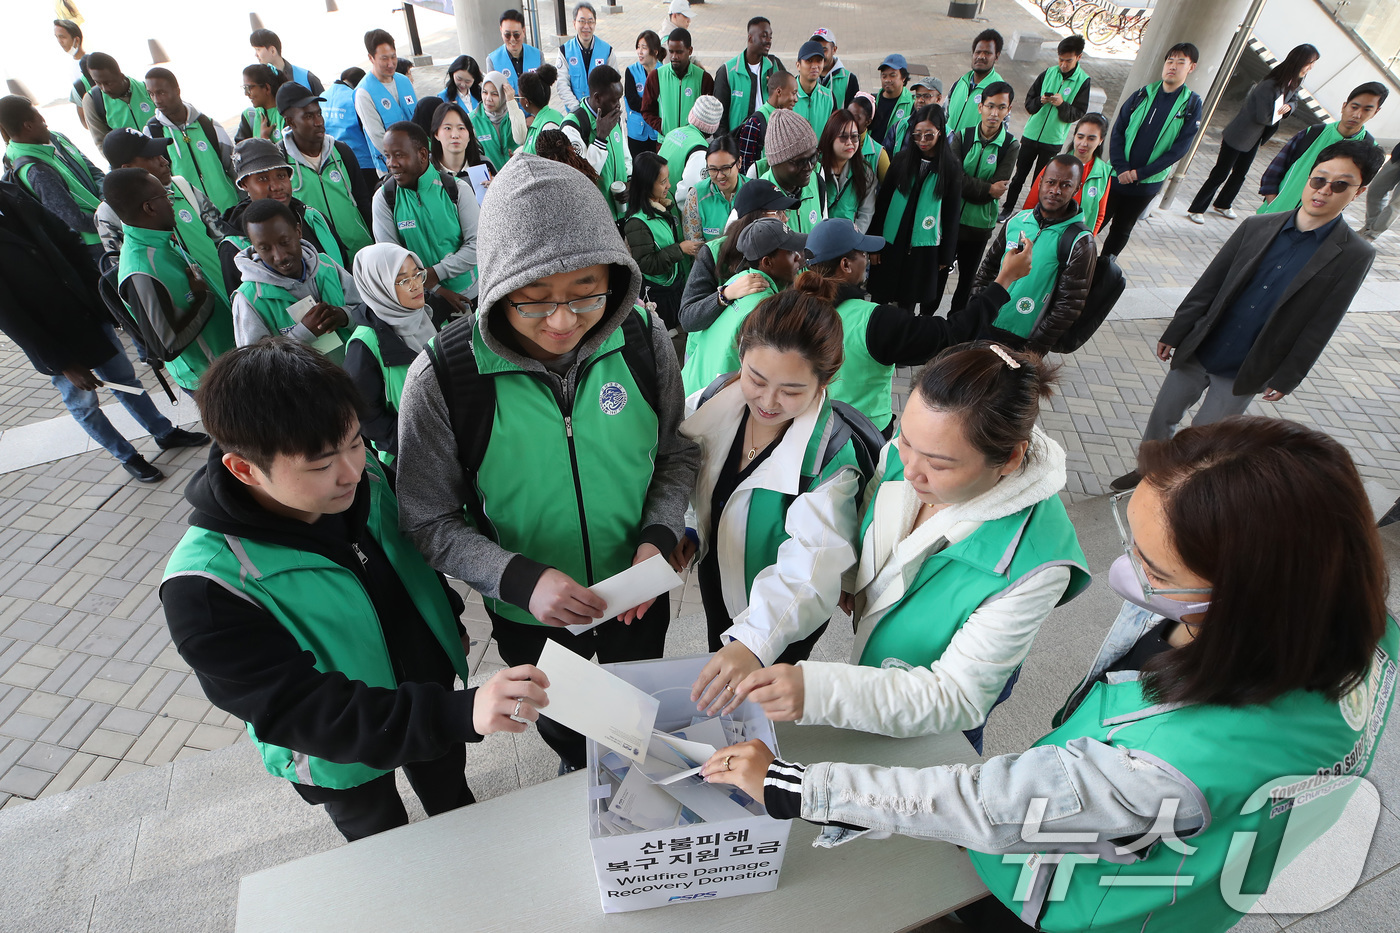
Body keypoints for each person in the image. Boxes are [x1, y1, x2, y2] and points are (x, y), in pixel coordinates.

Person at [713, 415, 1395, 933]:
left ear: (1249, 599)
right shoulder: (1349, 627)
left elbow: (992, 803)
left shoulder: (1180, 760)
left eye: (1156, 570)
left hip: (1077, 901)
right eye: (1132, 541)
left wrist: (791, 782)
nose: (1127, 575)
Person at [161, 337, 551, 841]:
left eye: (354, 441)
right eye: (320, 465)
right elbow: (299, 710)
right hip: (338, 746)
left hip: (425, 691)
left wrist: (448, 621)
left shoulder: (368, 475)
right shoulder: (206, 585)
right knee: (379, 838)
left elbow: (407, 561)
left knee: (453, 801)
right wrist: (458, 711)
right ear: (244, 468)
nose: (350, 473)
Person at [396, 155, 698, 772]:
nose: (563, 321)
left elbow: (674, 454)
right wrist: (517, 579)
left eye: (587, 293)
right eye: (532, 301)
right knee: (563, 724)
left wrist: (659, 535)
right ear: (496, 286)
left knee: (638, 706)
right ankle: (575, 763)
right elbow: (426, 519)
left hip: (633, 594)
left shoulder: (641, 339)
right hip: (525, 610)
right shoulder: (445, 377)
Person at [719, 339, 1086, 759]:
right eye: (906, 440)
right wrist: (852, 575)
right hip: (884, 658)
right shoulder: (917, 449)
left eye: (940, 464)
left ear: (1010, 458)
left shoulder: (1037, 562)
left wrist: (817, 690)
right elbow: (875, 510)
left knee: (932, 765)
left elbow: (957, 698)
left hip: (937, 701)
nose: (909, 467)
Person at [1111, 139, 1382, 490]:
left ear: (1358, 193)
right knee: (1162, 417)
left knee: (1207, 439)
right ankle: (1147, 470)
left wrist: (1288, 376)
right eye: (1319, 179)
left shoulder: (1354, 254)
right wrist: (1176, 330)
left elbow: (1323, 322)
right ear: (1308, 178)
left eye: (1340, 185)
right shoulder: (1257, 226)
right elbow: (1210, 284)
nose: (1324, 191)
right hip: (1202, 345)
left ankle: (1176, 490)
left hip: (1247, 366)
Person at [678, 281, 877, 709]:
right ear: (741, 354)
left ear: (827, 379)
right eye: (756, 378)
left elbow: (811, 566)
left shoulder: (830, 456)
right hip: (721, 576)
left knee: (758, 698)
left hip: (784, 615)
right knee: (723, 655)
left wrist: (752, 641)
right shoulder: (715, 399)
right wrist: (690, 529)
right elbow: (698, 479)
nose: (767, 401)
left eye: (791, 391)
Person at [0, 176, 208, 484]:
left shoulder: (9, 193)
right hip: (51, 337)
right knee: (84, 403)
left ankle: (163, 431)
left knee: (124, 379)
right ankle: (127, 456)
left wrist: (99, 297)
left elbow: (66, 237)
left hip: (84, 314)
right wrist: (62, 364)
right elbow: (9, 317)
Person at [798, 218, 1016, 434]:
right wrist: (1003, 281)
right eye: (863, 254)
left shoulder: (790, 307)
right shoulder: (875, 321)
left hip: (806, 428)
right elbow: (952, 334)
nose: (867, 260)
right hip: (860, 436)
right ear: (845, 265)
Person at [107, 167, 236, 393]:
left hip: (230, 362)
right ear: (149, 207)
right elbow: (166, 346)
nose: (172, 202)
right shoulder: (141, 271)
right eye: (166, 197)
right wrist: (203, 300)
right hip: (214, 381)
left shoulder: (161, 239)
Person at [976, 154, 1097, 355]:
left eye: (1066, 185)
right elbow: (988, 268)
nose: (1055, 190)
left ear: (1077, 188)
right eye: (1050, 182)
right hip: (985, 325)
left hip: (1023, 341)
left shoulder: (1080, 241)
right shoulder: (1017, 220)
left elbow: (1068, 305)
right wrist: (977, 309)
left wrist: (1034, 348)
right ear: (1040, 182)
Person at [1187, 44, 1318, 223]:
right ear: (1299, 62)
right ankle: (1197, 209)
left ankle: (1223, 204)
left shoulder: (1293, 82)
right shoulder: (1270, 85)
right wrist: (1280, 112)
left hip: (1255, 137)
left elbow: (1294, 101)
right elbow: (1263, 116)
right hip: (1239, 135)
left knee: (1240, 173)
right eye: (1309, 63)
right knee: (1220, 173)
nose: (1310, 68)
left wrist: (1288, 108)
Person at [682, 217, 806, 395]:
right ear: (767, 262)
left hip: (692, 387)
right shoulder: (765, 308)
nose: (798, 257)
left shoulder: (739, 281)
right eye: (790, 252)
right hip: (710, 403)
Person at [1102, 43, 1203, 258]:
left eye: (1180, 62)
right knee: (1096, 221)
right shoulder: (1142, 94)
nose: (1173, 66)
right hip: (1116, 176)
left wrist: (1140, 174)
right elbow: (1118, 130)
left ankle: (1102, 270)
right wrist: (1121, 168)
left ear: (1191, 67)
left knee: (1121, 230)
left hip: (1146, 184)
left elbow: (1179, 148)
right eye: (1170, 61)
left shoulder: (1191, 105)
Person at [372, 121, 481, 316]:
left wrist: (436, 273)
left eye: (399, 155)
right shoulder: (384, 199)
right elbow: (390, 261)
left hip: (471, 295)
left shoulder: (456, 190)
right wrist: (436, 289)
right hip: (424, 305)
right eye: (387, 156)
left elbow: (477, 246)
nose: (391, 164)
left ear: (422, 154)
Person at [94, 129, 231, 283]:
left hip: (228, 291)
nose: (164, 161)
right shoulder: (109, 214)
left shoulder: (182, 186)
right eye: (152, 157)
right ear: (128, 169)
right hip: (189, 304)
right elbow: (131, 278)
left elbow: (224, 240)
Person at [346, 244, 440, 466]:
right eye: (403, 280)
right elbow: (368, 418)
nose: (416, 285)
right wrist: (417, 445)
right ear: (379, 286)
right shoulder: (364, 346)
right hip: (411, 457)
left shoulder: (426, 314)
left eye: (417, 274)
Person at [231, 198, 363, 355]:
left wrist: (344, 316)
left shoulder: (326, 265)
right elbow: (253, 365)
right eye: (265, 248)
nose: (279, 256)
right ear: (254, 247)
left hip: (357, 369)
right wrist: (303, 334)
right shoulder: (249, 298)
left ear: (298, 232)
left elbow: (367, 311)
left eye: (285, 242)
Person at [868, 104, 962, 313]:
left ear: (940, 132)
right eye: (917, 135)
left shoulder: (951, 167)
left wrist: (945, 257)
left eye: (929, 136)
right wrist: (874, 243)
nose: (922, 142)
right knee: (879, 296)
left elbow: (951, 215)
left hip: (923, 248)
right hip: (892, 242)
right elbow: (882, 203)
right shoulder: (902, 160)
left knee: (908, 302)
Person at [678, 179, 800, 336]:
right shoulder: (714, 252)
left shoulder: (785, 249)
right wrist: (725, 295)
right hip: (716, 351)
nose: (785, 219)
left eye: (785, 212)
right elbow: (688, 319)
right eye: (778, 213)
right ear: (754, 217)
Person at [277, 82, 375, 265]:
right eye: (308, 116)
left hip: (361, 252)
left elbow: (363, 200)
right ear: (290, 122)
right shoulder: (280, 162)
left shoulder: (342, 151)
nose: (319, 122)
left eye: (319, 113)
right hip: (320, 262)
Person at [0, 95, 104, 261]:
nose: (45, 122)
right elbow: (73, 219)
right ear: (28, 126)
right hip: (97, 244)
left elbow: (95, 172)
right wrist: (110, 221)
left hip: (108, 220)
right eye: (40, 118)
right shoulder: (36, 170)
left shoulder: (57, 138)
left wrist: (106, 200)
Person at [1258, 81, 1385, 215]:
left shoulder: (1370, 151)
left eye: (1367, 110)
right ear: (1344, 106)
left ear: (1375, 112)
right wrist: (1273, 205)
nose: (1357, 115)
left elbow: (1350, 194)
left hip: (1313, 225)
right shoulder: (1312, 133)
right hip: (1273, 214)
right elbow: (1273, 172)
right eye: (1354, 107)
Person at [1002, 34, 1090, 219]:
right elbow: (1028, 104)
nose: (1063, 64)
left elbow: (1077, 113)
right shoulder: (1048, 73)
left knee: (1042, 181)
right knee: (1019, 175)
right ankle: (1008, 209)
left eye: (1068, 60)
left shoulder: (1083, 81)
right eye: (1060, 60)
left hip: (1053, 140)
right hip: (1031, 135)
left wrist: (1061, 104)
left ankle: (1033, 214)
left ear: (1079, 57)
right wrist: (1041, 101)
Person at [948, 83, 1018, 314]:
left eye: (1001, 107)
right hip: (951, 221)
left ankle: (955, 323)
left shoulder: (1010, 145)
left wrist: (969, 185)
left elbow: (1000, 188)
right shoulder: (963, 136)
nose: (994, 113)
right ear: (980, 107)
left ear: (1009, 110)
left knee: (968, 281)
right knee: (939, 275)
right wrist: (986, 189)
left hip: (979, 226)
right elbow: (954, 178)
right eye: (990, 106)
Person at [226, 138, 346, 269]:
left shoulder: (314, 219)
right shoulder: (235, 247)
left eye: (281, 176)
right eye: (263, 178)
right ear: (244, 184)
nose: (277, 186)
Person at [143, 67, 241, 213]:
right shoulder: (152, 133)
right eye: (151, 94)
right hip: (192, 218)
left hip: (230, 209)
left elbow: (234, 168)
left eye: (161, 92)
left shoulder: (208, 125)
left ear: (177, 90)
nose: (156, 100)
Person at [624, 151, 702, 327]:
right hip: (658, 295)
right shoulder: (637, 223)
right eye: (663, 182)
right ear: (646, 184)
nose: (669, 185)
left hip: (672, 288)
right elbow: (646, 263)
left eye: (668, 179)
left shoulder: (662, 207)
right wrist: (680, 249)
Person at [1024, 112, 1112, 234]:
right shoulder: (1055, 164)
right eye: (1080, 137)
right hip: (1045, 234)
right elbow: (1031, 202)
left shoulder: (1104, 173)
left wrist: (1087, 239)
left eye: (1091, 138)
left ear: (1101, 140)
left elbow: (1099, 215)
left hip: (1076, 240)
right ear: (1074, 136)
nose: (1084, 143)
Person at [561, 65, 631, 216]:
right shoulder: (573, 127)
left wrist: (630, 183)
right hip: (596, 219)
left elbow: (626, 157)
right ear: (598, 98)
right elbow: (582, 179)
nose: (619, 105)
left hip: (621, 215)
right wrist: (600, 139)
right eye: (614, 100)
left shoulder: (613, 117)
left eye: (619, 99)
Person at [356, 29, 419, 178]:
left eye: (393, 57)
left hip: (417, 160)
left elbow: (417, 117)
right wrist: (404, 158)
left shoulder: (404, 81)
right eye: (384, 59)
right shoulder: (364, 93)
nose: (391, 64)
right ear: (371, 58)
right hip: (391, 167)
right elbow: (377, 136)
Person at [755, 109, 826, 234]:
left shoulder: (817, 182)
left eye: (813, 157)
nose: (809, 166)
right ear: (776, 161)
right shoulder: (756, 197)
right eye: (800, 162)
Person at [715, 17, 785, 133]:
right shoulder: (727, 71)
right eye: (764, 35)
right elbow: (719, 119)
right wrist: (726, 147)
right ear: (750, 38)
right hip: (739, 145)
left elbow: (788, 99)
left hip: (769, 143)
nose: (769, 40)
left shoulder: (775, 66)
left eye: (770, 36)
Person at [641, 28, 714, 136]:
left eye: (679, 52)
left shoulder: (704, 78)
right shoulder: (656, 76)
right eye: (671, 51)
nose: (674, 56)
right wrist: (663, 127)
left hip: (692, 144)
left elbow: (709, 114)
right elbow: (646, 110)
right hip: (666, 143)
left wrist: (697, 134)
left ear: (690, 51)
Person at [819, 109, 876, 233]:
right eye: (843, 137)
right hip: (819, 237)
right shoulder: (815, 169)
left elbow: (866, 212)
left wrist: (853, 239)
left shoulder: (865, 171)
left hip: (850, 240)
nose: (850, 143)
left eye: (854, 137)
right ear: (830, 137)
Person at [658, 94, 723, 205]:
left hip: (657, 202)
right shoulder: (700, 151)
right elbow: (689, 193)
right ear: (714, 127)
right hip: (672, 210)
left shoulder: (673, 133)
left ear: (691, 114)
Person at [81, 52, 156, 147]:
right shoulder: (92, 100)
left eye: (108, 83)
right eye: (98, 83)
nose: (104, 89)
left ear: (121, 76)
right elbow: (102, 144)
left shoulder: (147, 89)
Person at [323, 67, 378, 193]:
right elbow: (370, 129)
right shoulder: (355, 97)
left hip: (334, 161)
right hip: (364, 162)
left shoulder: (323, 96)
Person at [554, 2, 615, 113]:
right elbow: (562, 85)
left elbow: (614, 84)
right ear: (574, 23)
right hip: (576, 114)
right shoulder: (564, 51)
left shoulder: (607, 50)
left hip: (601, 114)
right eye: (582, 21)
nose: (586, 26)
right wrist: (578, 110)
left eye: (590, 21)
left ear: (595, 23)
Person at [944, 30, 1006, 138]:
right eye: (978, 52)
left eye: (987, 53)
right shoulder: (960, 82)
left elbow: (1000, 132)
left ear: (997, 56)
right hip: (946, 149)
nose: (981, 56)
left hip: (972, 153)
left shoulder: (1000, 90)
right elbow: (945, 115)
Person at [684, 135, 747, 241]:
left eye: (725, 168)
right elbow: (693, 244)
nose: (720, 176)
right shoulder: (696, 196)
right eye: (713, 169)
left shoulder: (754, 191)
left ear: (739, 162)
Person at [734, 71, 796, 176]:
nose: (796, 99)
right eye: (793, 93)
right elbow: (744, 170)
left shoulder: (790, 118)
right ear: (779, 92)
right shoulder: (755, 123)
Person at [430, 101, 490, 196]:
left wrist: (497, 190)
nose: (455, 135)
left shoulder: (484, 164)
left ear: (470, 134)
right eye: (447, 128)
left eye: (461, 128)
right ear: (436, 134)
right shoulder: (427, 171)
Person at [471, 71, 524, 172]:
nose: (488, 99)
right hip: (491, 181)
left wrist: (511, 102)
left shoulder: (514, 113)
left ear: (503, 95)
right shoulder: (473, 119)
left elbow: (521, 139)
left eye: (495, 94)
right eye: (485, 92)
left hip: (516, 175)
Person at [249, 28, 324, 95]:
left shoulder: (307, 78)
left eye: (258, 49)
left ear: (272, 51)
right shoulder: (262, 82)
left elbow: (325, 106)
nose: (256, 55)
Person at [625, 31, 664, 157]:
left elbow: (666, 100)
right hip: (636, 131)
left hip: (657, 131)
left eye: (644, 48)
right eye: (638, 47)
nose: (639, 52)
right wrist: (653, 106)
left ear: (655, 51)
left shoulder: (664, 72)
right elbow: (632, 101)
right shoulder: (631, 71)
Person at [881, 75, 940, 155]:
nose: (920, 100)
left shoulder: (947, 133)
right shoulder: (900, 126)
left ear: (938, 99)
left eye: (926, 96)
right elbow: (885, 156)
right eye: (918, 96)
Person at [867, 54, 912, 149]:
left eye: (892, 75)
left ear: (903, 77)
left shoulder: (911, 104)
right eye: (884, 76)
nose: (887, 80)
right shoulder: (872, 101)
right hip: (871, 156)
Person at [517, 65, 565, 155]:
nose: (519, 100)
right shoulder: (544, 117)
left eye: (519, 96)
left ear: (526, 101)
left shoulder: (548, 127)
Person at [792, 41, 835, 140]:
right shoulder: (787, 96)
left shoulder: (829, 98)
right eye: (809, 61)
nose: (815, 66)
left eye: (819, 61)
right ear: (798, 65)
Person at [487, 9, 541, 85]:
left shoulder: (538, 55)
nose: (512, 39)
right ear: (501, 31)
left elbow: (545, 89)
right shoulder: (492, 60)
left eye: (516, 35)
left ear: (524, 31)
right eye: (507, 35)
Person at [54, 18, 91, 128]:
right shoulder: (72, 64)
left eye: (62, 37)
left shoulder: (90, 63)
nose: (60, 42)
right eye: (56, 37)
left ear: (77, 40)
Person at [810, 28, 857, 112]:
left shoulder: (849, 80)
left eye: (824, 50)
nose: (820, 55)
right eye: (816, 50)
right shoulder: (803, 79)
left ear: (834, 49)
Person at [236, 64, 286, 142]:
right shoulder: (249, 116)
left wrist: (264, 137)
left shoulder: (287, 116)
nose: (246, 94)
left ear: (267, 88)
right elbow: (241, 150)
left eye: (248, 88)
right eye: (244, 88)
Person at [1360, 141, 1400, 240]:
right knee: (1375, 190)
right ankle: (1369, 227)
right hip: (1398, 158)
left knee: (1396, 204)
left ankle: (1371, 235)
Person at [849, 93, 890, 184]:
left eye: (856, 118)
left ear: (868, 121)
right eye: (848, 115)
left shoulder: (878, 154)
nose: (850, 121)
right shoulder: (835, 143)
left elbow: (888, 188)